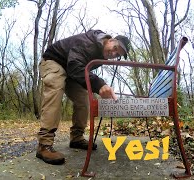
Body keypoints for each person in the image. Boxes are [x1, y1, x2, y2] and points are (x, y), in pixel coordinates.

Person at [36, 29, 130, 165]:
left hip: (72, 70)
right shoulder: (87, 43)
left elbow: (78, 69)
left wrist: (96, 87)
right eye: (115, 48)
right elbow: (75, 65)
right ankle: (44, 145)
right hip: (54, 61)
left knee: (84, 99)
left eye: (117, 54)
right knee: (56, 87)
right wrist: (99, 84)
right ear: (110, 40)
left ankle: (76, 138)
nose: (113, 54)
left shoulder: (102, 54)